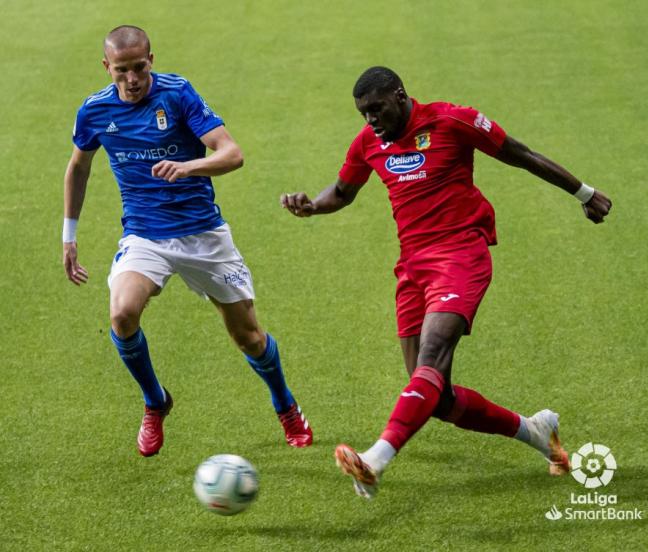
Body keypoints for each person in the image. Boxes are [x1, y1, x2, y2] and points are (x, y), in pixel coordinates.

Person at [281, 66, 611, 498]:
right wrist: (312, 206)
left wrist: (584, 194)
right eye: (363, 113)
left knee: (431, 359)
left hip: (461, 255)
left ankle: (376, 460)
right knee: (436, 398)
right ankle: (536, 431)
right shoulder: (369, 143)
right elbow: (342, 191)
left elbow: (520, 153)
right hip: (412, 269)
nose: (371, 120)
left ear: (400, 95)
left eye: (377, 109)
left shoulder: (451, 120)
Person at [63, 25, 312, 457]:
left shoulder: (178, 95)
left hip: (202, 234)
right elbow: (78, 168)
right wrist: (69, 235)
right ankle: (155, 401)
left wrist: (188, 167)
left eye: (140, 68)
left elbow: (232, 154)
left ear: (151, 60)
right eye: (122, 71)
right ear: (107, 68)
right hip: (145, 235)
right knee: (122, 314)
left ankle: (285, 404)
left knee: (248, 336)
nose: (133, 79)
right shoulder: (94, 111)